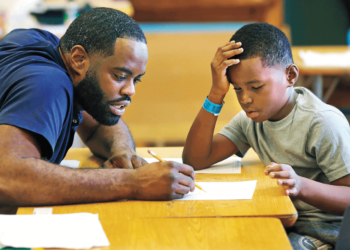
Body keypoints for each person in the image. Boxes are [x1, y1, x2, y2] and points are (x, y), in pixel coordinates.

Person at [0, 7, 195, 214]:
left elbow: (95, 125)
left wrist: (123, 152)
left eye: (136, 79)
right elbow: (7, 176)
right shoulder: (48, 82)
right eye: (120, 76)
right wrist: (133, 182)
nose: (130, 91)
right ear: (78, 59)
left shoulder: (38, 42)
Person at [183, 23, 350, 249]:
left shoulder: (323, 122)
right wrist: (216, 93)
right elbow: (196, 158)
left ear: (290, 75)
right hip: (280, 218)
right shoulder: (251, 121)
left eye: (256, 86)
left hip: (323, 234)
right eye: (237, 89)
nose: (245, 99)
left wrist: (300, 185)